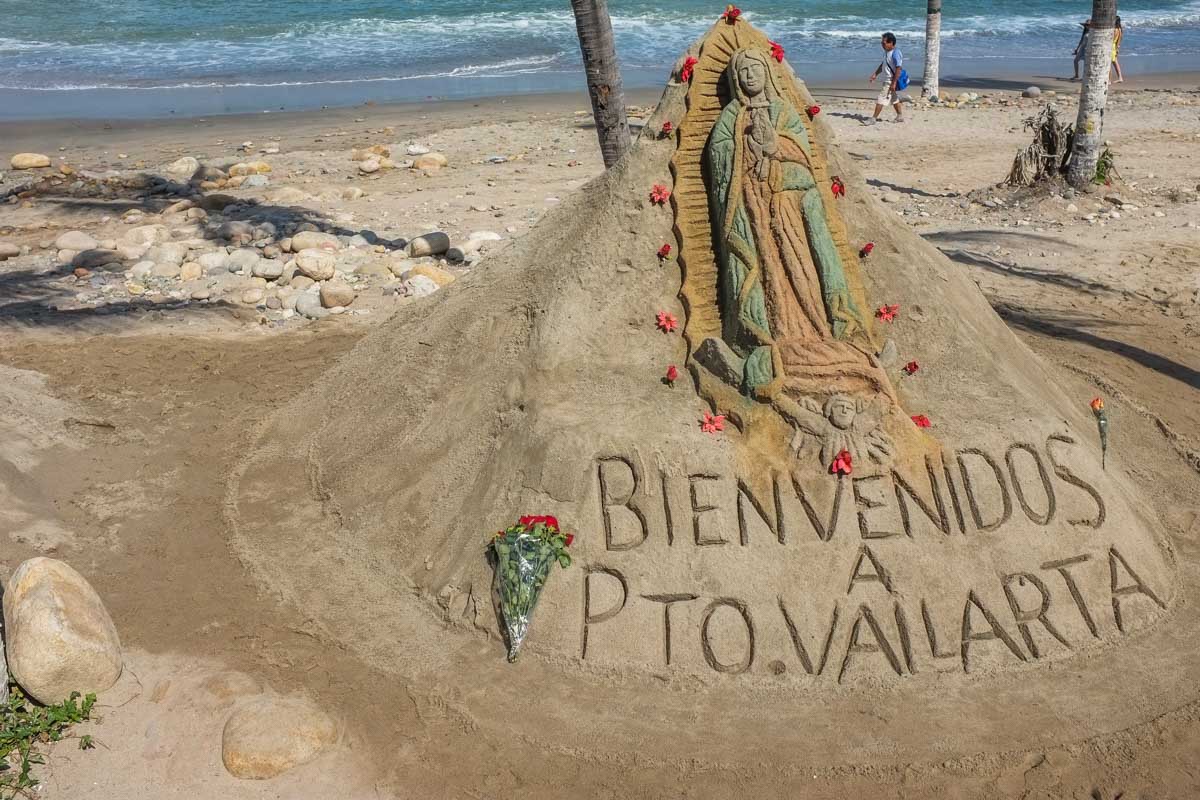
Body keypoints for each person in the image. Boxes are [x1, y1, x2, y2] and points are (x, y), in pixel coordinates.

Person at [866, 32, 904, 125]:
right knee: (894, 99)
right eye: (882, 43)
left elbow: (899, 68)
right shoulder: (887, 52)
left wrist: (894, 83)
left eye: (884, 43)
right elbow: (884, 64)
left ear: (891, 43)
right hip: (888, 79)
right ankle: (900, 116)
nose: (882, 45)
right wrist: (875, 74)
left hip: (890, 80)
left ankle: (873, 119)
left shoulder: (895, 53)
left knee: (881, 98)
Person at [1111, 17, 1124, 83]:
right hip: (1115, 47)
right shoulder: (1119, 29)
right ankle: (1120, 77)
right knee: (1116, 63)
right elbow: (1119, 41)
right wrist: (1117, 48)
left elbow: (1111, 39)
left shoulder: (1115, 30)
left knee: (1109, 64)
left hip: (1111, 47)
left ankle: (1108, 80)